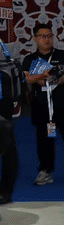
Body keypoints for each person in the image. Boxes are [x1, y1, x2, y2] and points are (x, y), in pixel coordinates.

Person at [21, 23, 64, 186]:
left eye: (49, 36)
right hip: (42, 106)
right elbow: (27, 78)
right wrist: (41, 76)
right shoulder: (30, 59)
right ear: (35, 38)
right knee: (44, 140)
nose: (47, 39)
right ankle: (45, 170)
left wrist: (48, 80)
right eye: (43, 36)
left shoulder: (62, 54)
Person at [0, 39, 18, 204]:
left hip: (3, 101)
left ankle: (5, 192)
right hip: (5, 103)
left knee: (7, 148)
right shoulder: (4, 46)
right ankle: (6, 192)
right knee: (7, 147)